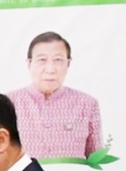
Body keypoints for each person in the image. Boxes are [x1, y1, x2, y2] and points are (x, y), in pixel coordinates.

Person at [7, 31, 103, 159]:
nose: (50, 69)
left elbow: (96, 160)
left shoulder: (87, 104)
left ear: (68, 64)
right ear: (29, 63)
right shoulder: (9, 102)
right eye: (42, 60)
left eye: (58, 60)